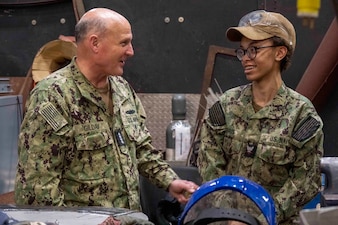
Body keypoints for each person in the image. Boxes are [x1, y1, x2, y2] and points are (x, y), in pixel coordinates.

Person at [14, 7, 198, 211]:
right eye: (123, 43)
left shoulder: (122, 90)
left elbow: (140, 150)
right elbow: (37, 187)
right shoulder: (53, 95)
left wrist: (170, 181)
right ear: (95, 43)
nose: (131, 51)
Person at [197, 10, 324, 225]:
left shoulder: (301, 114)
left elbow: (305, 181)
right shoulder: (227, 105)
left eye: (254, 50)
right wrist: (230, 215)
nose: (246, 58)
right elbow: (210, 165)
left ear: (280, 52)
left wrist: (258, 218)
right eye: (243, 51)